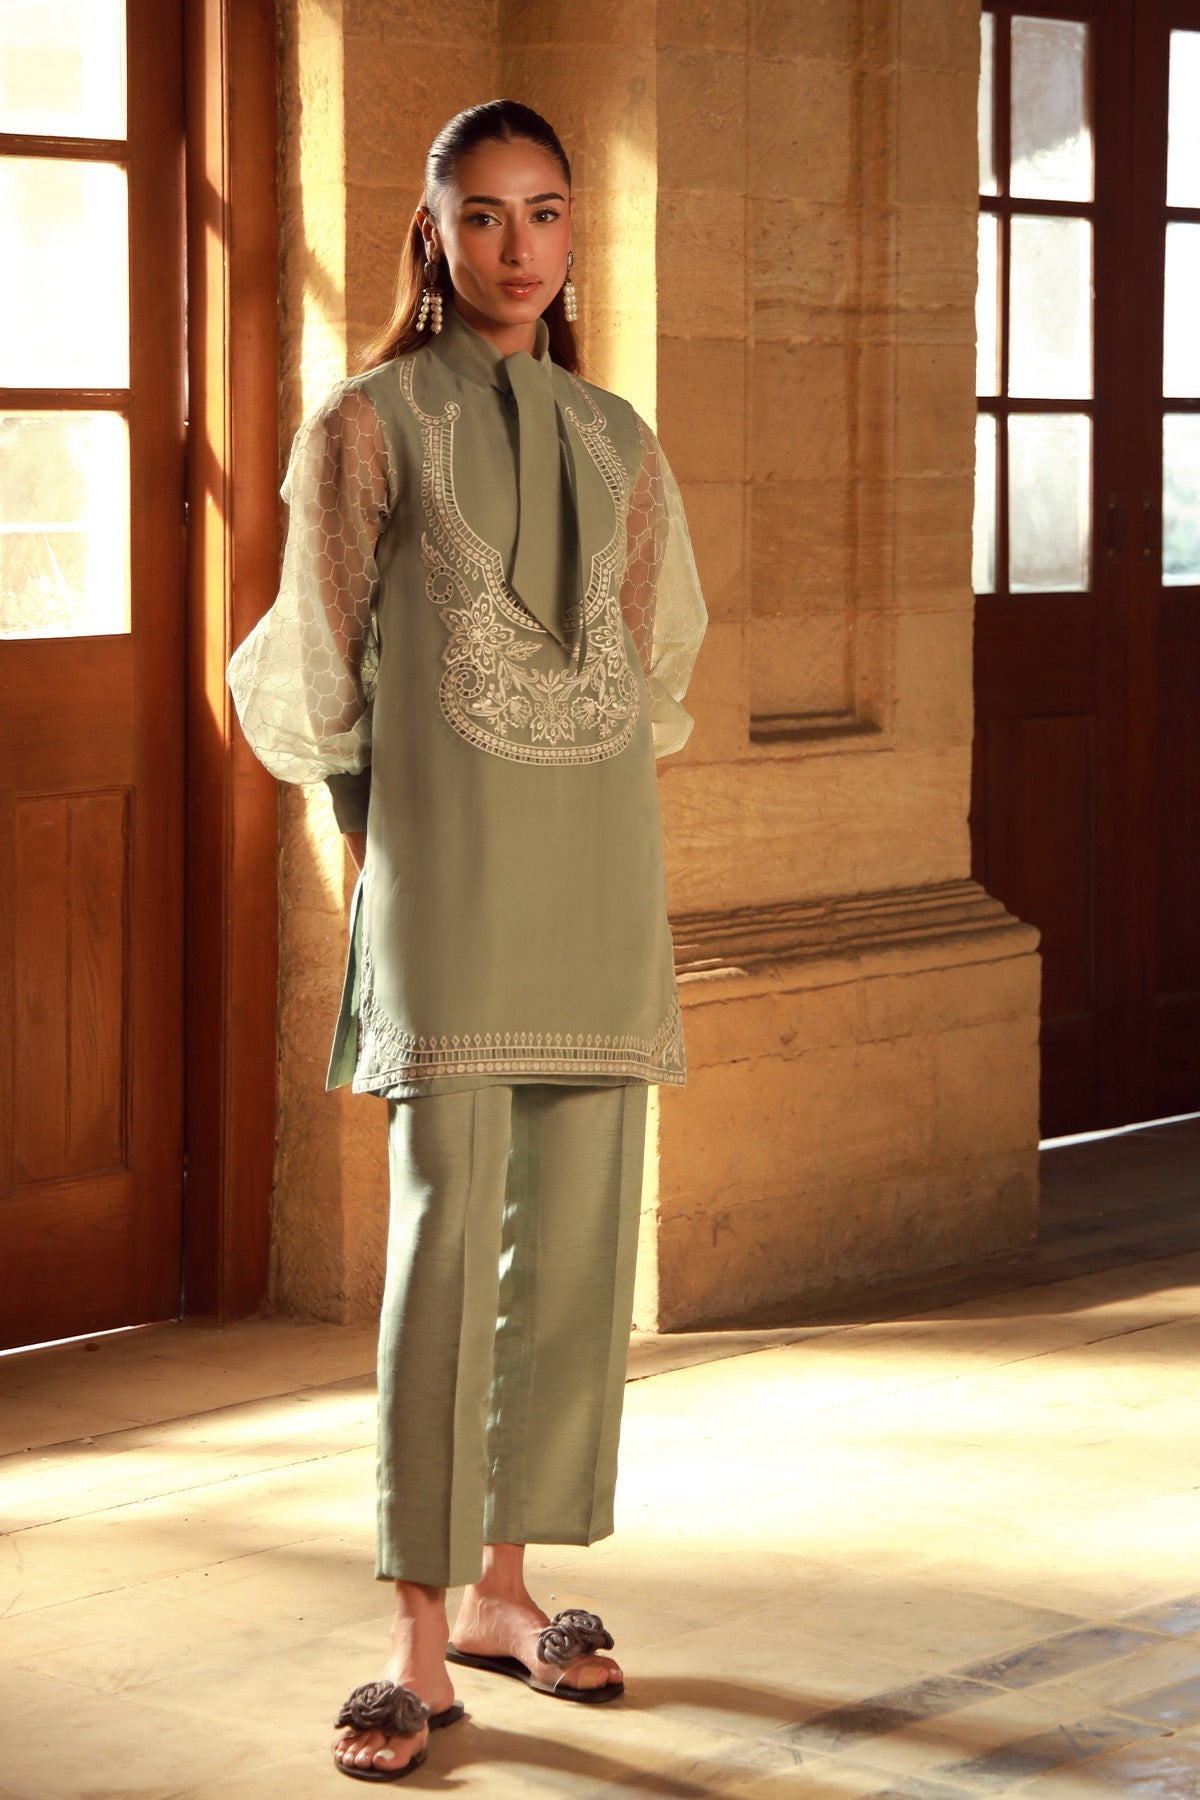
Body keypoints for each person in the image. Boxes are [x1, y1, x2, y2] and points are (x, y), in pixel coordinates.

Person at [227, 98, 707, 1783]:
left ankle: (511, 1593)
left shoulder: (619, 439)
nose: (519, 246)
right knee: (443, 1250)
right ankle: (416, 1638)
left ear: (575, 233)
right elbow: (316, 673)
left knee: (572, 1248)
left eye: (546, 211)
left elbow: (644, 671)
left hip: (594, 879)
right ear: (430, 234)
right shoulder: (364, 426)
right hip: (445, 885)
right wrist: (390, 855)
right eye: (484, 214)